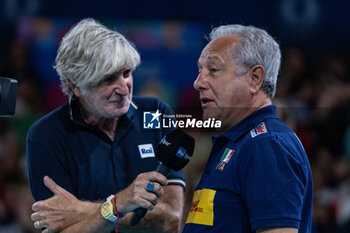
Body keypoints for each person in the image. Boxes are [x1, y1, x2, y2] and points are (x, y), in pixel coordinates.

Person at [26, 18, 185, 233]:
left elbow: (171, 221)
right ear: (75, 85)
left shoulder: (156, 113)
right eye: (108, 79)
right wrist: (118, 204)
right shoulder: (46, 135)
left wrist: (88, 212)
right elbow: (59, 229)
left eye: (126, 73)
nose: (123, 88)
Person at [182, 25, 313, 233]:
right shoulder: (240, 143)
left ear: (254, 79)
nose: (198, 83)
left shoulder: (266, 145)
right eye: (200, 71)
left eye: (213, 70)